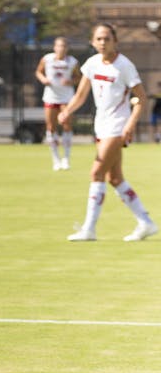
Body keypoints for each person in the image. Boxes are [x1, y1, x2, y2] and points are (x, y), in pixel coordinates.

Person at [60, 24, 157, 242]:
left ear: (115, 41)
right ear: (93, 42)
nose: (103, 43)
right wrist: (67, 111)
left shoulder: (124, 65)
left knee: (96, 173)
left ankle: (89, 229)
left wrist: (130, 125)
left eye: (107, 38)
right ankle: (146, 222)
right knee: (115, 178)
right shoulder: (92, 64)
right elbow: (81, 95)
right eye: (99, 39)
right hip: (101, 126)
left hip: (117, 127)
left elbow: (141, 98)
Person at [35, 37, 80, 170]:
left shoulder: (72, 62)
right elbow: (38, 71)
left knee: (66, 125)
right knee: (51, 127)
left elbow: (79, 77)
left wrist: (71, 82)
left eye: (64, 46)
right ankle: (55, 159)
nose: (61, 48)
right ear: (54, 47)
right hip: (51, 97)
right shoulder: (47, 59)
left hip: (67, 98)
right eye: (59, 46)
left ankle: (66, 158)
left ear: (67, 48)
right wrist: (43, 79)